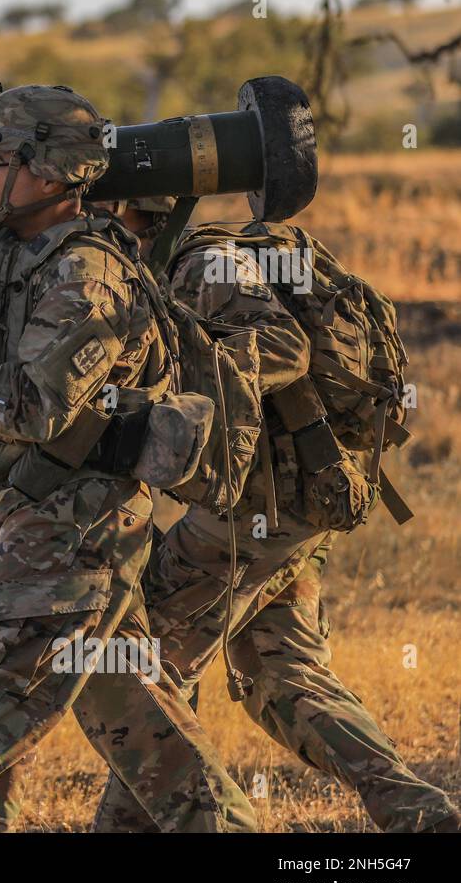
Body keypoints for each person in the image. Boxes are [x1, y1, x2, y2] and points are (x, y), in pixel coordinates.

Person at [0, 84, 257, 832]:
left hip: (75, 534)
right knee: (148, 736)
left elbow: (30, 407)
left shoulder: (85, 274)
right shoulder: (27, 254)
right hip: (60, 523)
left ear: (50, 173)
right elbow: (1, 371)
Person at [87, 200, 461, 832]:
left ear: (134, 213)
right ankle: (419, 815)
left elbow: (281, 348)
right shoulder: (197, 260)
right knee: (281, 674)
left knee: (140, 667)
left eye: (99, 211)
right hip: (294, 506)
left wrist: (177, 400)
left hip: (260, 512)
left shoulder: (201, 264)